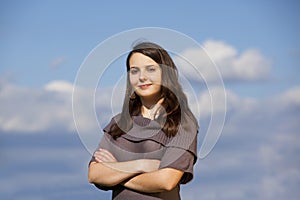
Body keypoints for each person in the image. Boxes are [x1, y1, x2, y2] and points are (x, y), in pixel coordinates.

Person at [88, 41, 198, 200]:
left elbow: (166, 181)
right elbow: (94, 174)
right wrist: (141, 166)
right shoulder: (118, 123)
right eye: (134, 71)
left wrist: (115, 171)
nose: (142, 77)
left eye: (151, 69)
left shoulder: (182, 123)